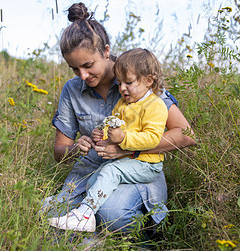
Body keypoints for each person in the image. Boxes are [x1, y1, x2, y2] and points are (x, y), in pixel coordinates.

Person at [41, 2, 196, 233]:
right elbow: (59, 151)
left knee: (112, 213)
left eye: (88, 65)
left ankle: (142, 246)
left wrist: (127, 150)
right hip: (91, 170)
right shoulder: (71, 90)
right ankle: (89, 242)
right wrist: (77, 147)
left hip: (138, 169)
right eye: (74, 69)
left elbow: (186, 135)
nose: (82, 76)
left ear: (105, 50)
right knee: (47, 214)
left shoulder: (137, 79)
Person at [49, 48, 168, 232]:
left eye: (128, 83)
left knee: (110, 171)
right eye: (119, 83)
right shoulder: (124, 102)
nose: (121, 88)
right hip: (126, 161)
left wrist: (123, 138)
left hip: (147, 163)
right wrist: (101, 134)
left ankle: (85, 215)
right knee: (93, 181)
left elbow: (153, 138)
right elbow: (110, 122)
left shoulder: (155, 105)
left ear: (149, 80)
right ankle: (87, 218)